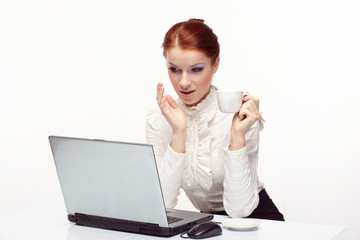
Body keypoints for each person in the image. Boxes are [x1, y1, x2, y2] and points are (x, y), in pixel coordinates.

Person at [146, 19, 284, 221]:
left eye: (196, 69)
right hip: (210, 223)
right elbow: (162, 203)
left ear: (215, 64)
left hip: (257, 219)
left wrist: (237, 136)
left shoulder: (240, 115)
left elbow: (239, 210)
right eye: (174, 69)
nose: (183, 82)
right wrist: (178, 134)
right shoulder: (159, 119)